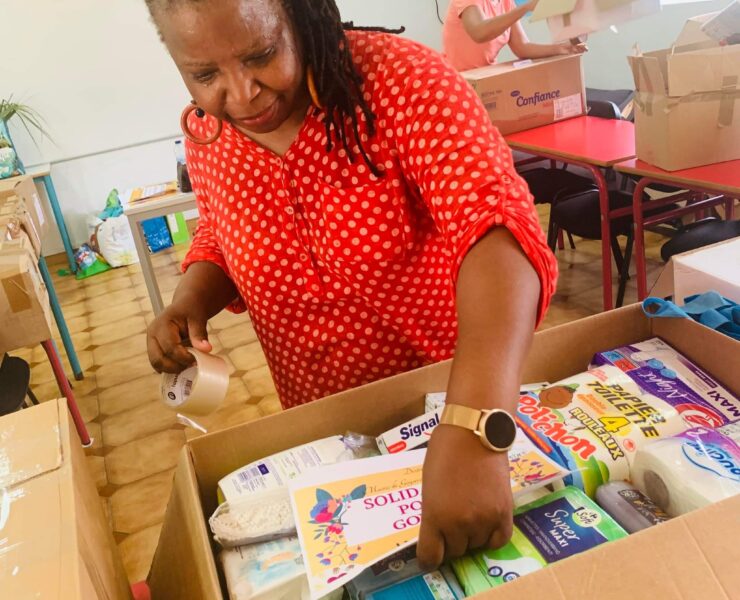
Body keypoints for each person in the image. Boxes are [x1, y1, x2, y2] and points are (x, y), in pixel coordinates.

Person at [144, 0, 557, 570]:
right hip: (324, 435)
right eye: (204, 74)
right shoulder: (208, 134)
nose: (241, 95)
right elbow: (221, 229)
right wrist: (190, 299)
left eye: (261, 55)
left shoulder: (399, 82)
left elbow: (496, 227)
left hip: (448, 408)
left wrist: (475, 427)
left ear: (301, 14)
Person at [443, 0, 586, 71]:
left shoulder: (506, 2)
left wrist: (563, 49)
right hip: (458, 79)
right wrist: (525, 8)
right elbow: (479, 32)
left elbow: (522, 47)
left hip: (485, 76)